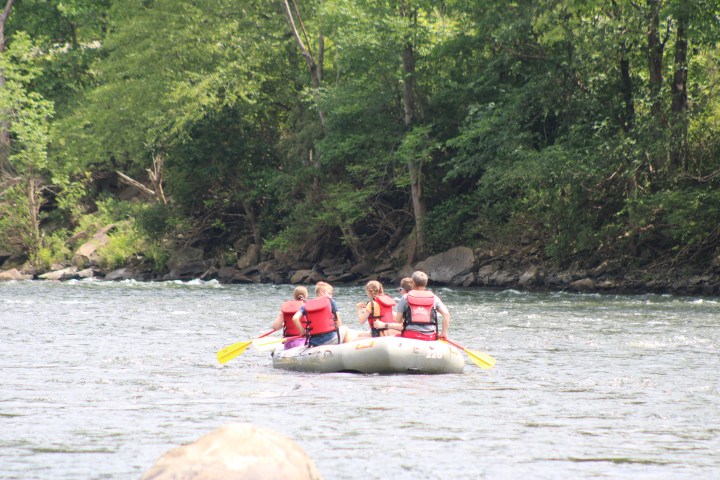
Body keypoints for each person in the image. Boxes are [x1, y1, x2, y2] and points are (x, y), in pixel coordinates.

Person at [374, 271, 450, 341]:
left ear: (413, 283)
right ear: (425, 283)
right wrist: (443, 333)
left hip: (410, 336)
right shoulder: (434, 298)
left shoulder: (405, 298)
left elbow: (398, 321)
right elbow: (446, 314)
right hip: (430, 337)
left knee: (389, 336)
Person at [291, 281, 345, 347]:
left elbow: (295, 318)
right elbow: (339, 323)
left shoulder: (306, 305)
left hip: (314, 342)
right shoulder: (331, 302)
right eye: (329, 294)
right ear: (322, 293)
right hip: (330, 339)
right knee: (346, 329)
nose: (331, 296)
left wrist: (303, 332)